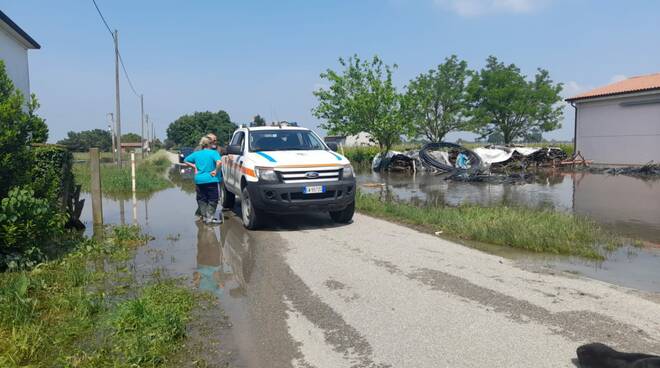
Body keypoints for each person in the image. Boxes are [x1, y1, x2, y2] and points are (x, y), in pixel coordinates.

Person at [185, 136, 223, 224]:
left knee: (201, 198)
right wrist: (215, 170)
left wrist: (194, 166)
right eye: (212, 143)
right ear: (209, 144)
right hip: (211, 179)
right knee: (213, 198)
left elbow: (186, 160)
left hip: (199, 180)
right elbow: (219, 162)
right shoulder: (214, 153)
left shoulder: (197, 154)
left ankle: (204, 216)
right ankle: (209, 218)